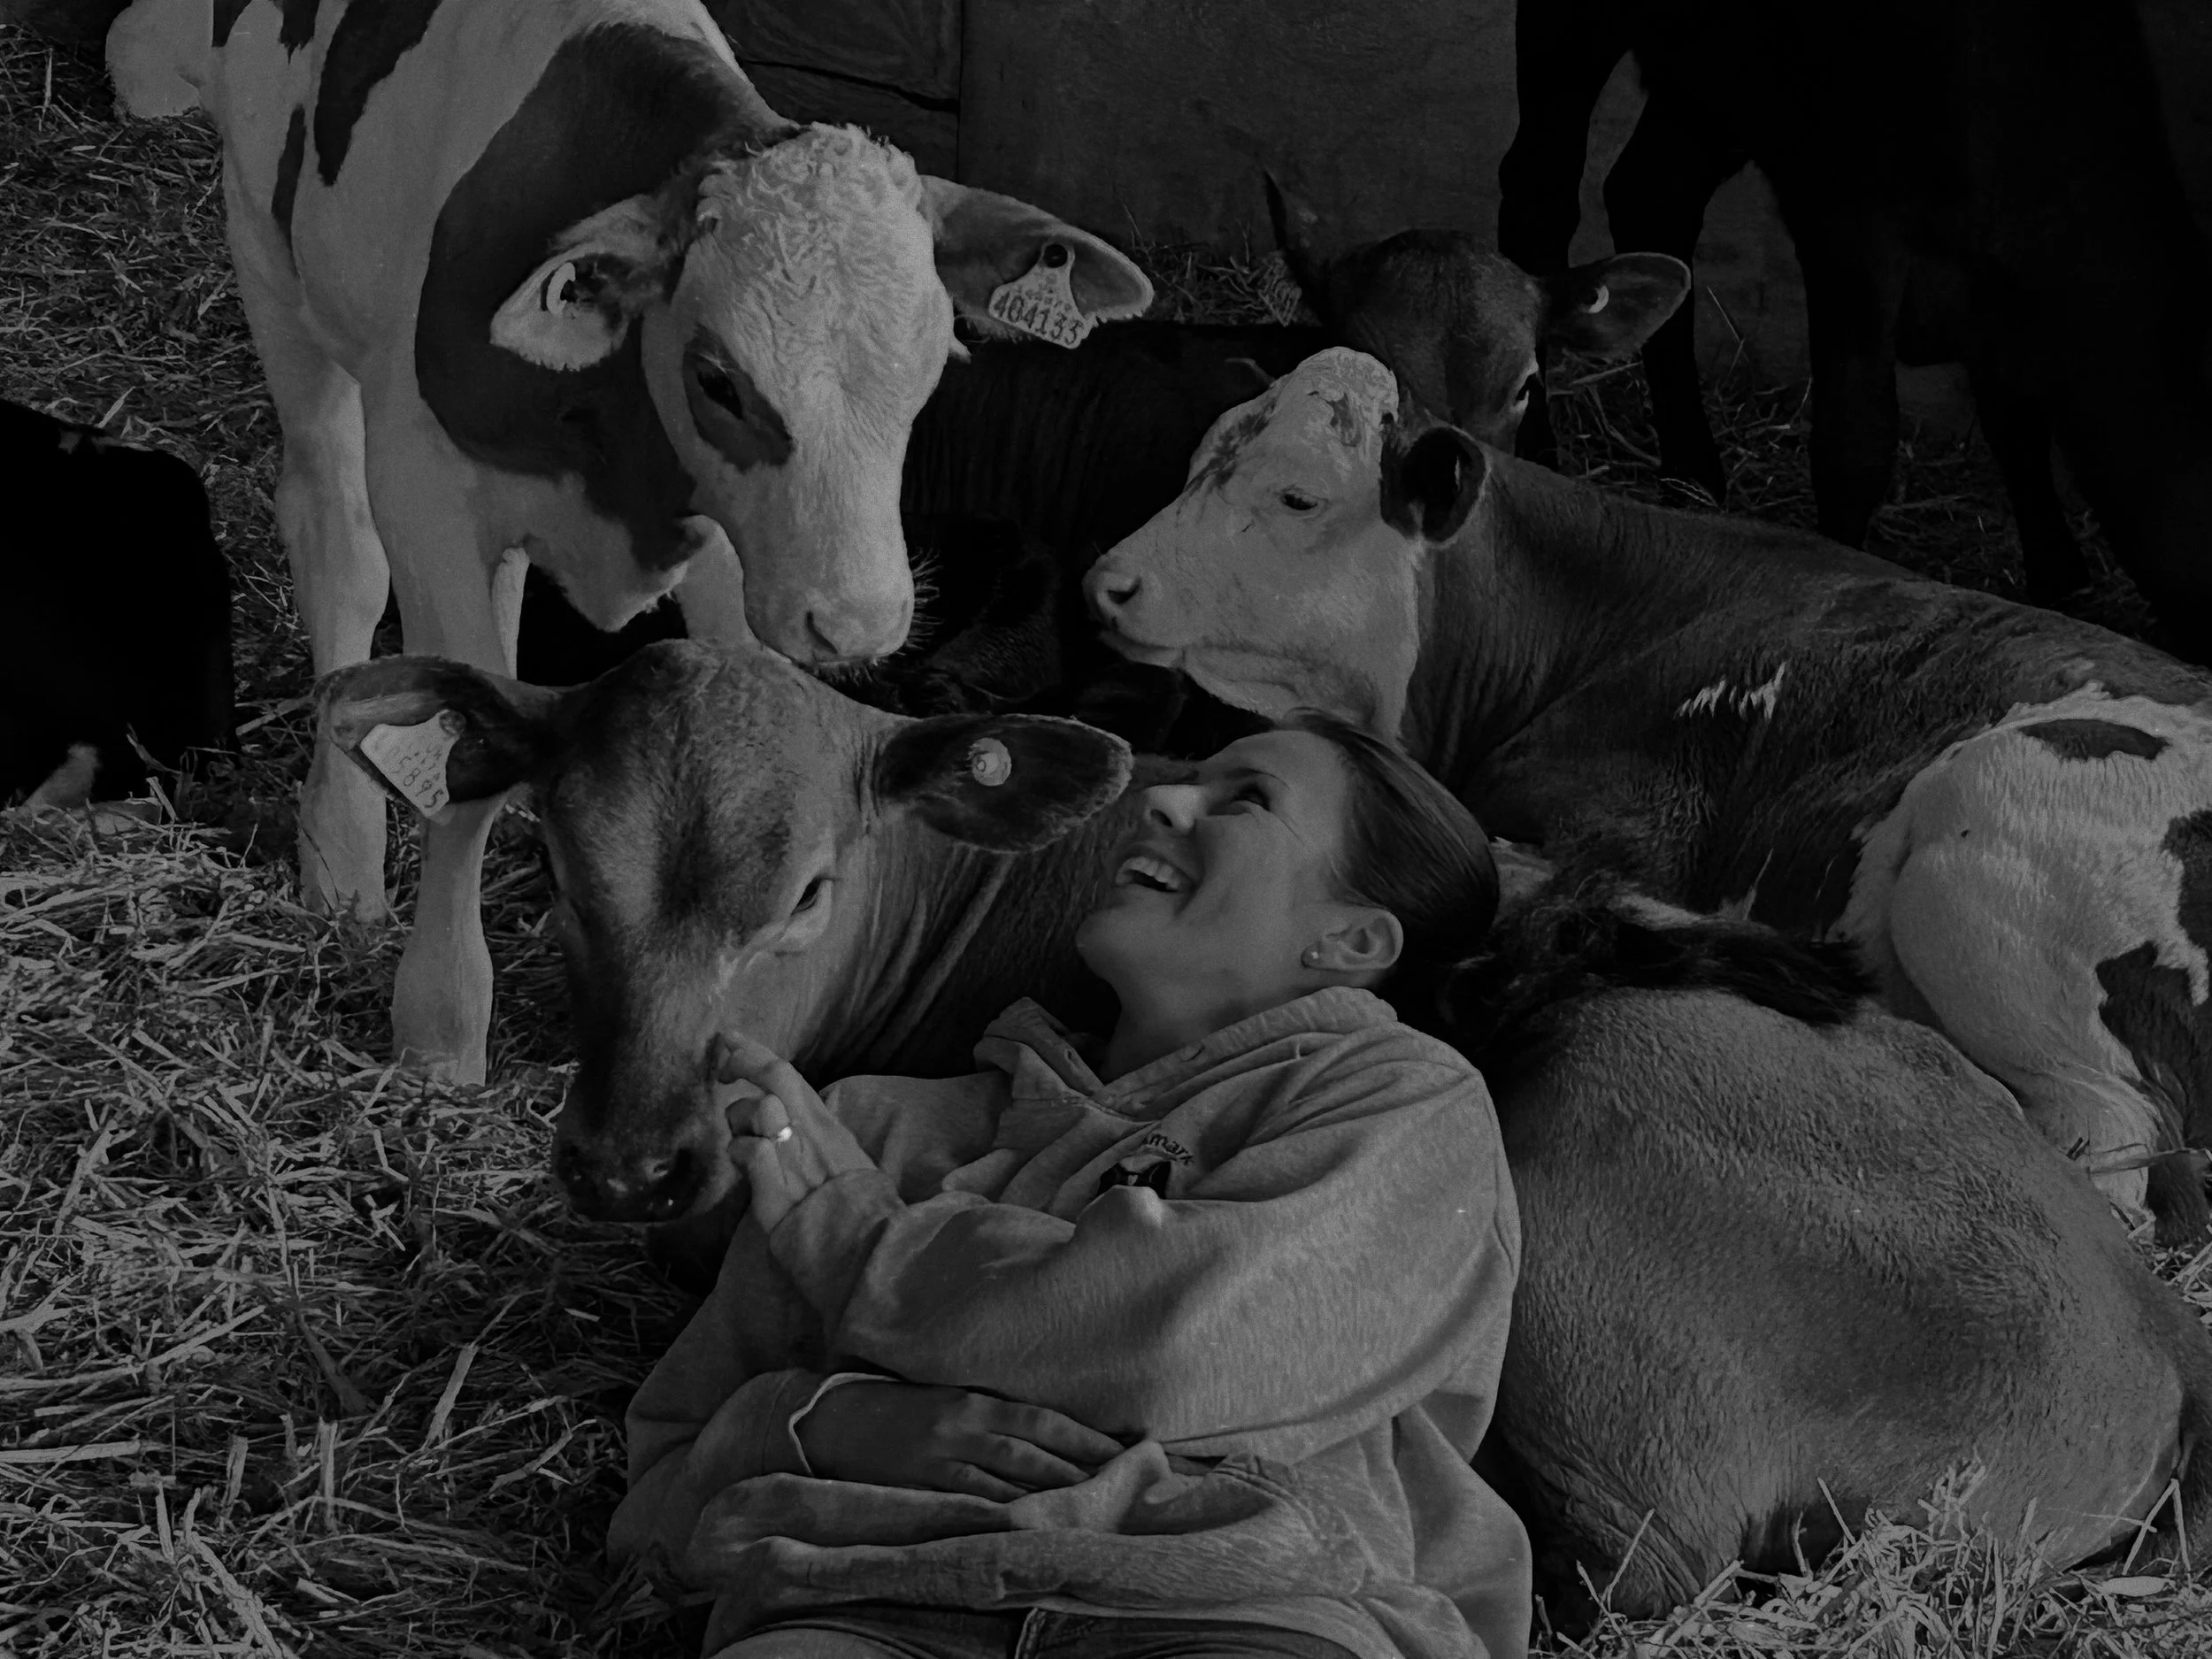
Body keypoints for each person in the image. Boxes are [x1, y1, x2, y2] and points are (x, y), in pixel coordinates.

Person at [608, 712, 1529, 1659]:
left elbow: (1180, 1349)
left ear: (1352, 940)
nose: (1163, 801)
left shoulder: (1402, 1103)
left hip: (1234, 1611)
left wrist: (853, 1235)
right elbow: (659, 1502)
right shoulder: (867, 1126)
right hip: (853, 1602)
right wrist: (817, 1423)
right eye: (1192, 780)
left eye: (1245, 798)